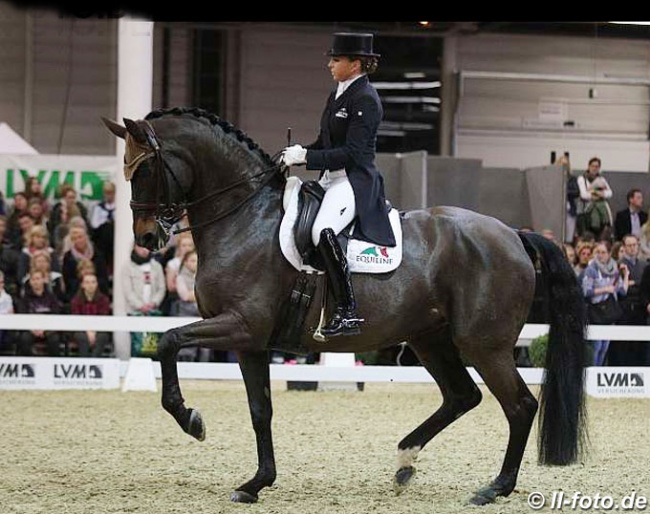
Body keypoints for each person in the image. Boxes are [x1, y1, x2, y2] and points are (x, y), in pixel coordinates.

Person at [279, 32, 396, 337]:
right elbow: (325, 142)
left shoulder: (366, 99)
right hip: (330, 179)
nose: (330, 64)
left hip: (354, 181)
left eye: (336, 59)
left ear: (355, 64)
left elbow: (354, 153)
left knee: (322, 230)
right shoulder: (337, 95)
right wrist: (298, 154)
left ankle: (347, 311)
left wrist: (308, 156)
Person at [581, 240, 629, 366]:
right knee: (596, 346)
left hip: (609, 312)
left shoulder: (614, 269)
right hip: (597, 312)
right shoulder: (591, 270)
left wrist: (626, 275)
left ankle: (599, 371)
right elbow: (586, 291)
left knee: (604, 347)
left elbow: (622, 291)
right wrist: (604, 289)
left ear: (609, 254)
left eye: (603, 252)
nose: (600, 255)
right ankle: (593, 373)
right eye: (598, 252)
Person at [15, 269, 63, 356]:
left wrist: (44, 328)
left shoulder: (51, 297)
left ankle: (53, 365)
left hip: (48, 328)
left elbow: (56, 313)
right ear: (30, 282)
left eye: (38, 279)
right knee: (24, 339)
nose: (36, 282)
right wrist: (33, 329)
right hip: (31, 329)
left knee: (54, 339)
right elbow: (23, 315)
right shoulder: (24, 299)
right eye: (33, 279)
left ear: (43, 280)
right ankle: (28, 365)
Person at [70, 272, 112, 357]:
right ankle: (84, 363)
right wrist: (88, 331)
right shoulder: (76, 300)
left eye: (93, 282)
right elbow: (77, 318)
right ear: (82, 285)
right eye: (87, 282)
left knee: (102, 337)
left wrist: (94, 331)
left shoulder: (104, 300)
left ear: (97, 284)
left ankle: (94, 362)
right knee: (82, 338)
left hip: (99, 329)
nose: (91, 285)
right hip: (81, 329)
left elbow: (103, 317)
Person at [576, 157, 614, 241]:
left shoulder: (601, 179)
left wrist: (596, 193)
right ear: (588, 166)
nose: (594, 168)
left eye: (597, 166)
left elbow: (609, 193)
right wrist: (599, 194)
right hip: (586, 212)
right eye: (593, 166)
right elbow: (584, 195)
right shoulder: (582, 179)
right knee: (586, 237)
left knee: (600, 237)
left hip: (600, 213)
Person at [89, 180, 116, 277]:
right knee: (106, 229)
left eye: (111, 193)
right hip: (102, 239)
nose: (109, 196)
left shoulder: (120, 207)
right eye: (106, 193)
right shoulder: (99, 207)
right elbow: (94, 224)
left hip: (115, 238)